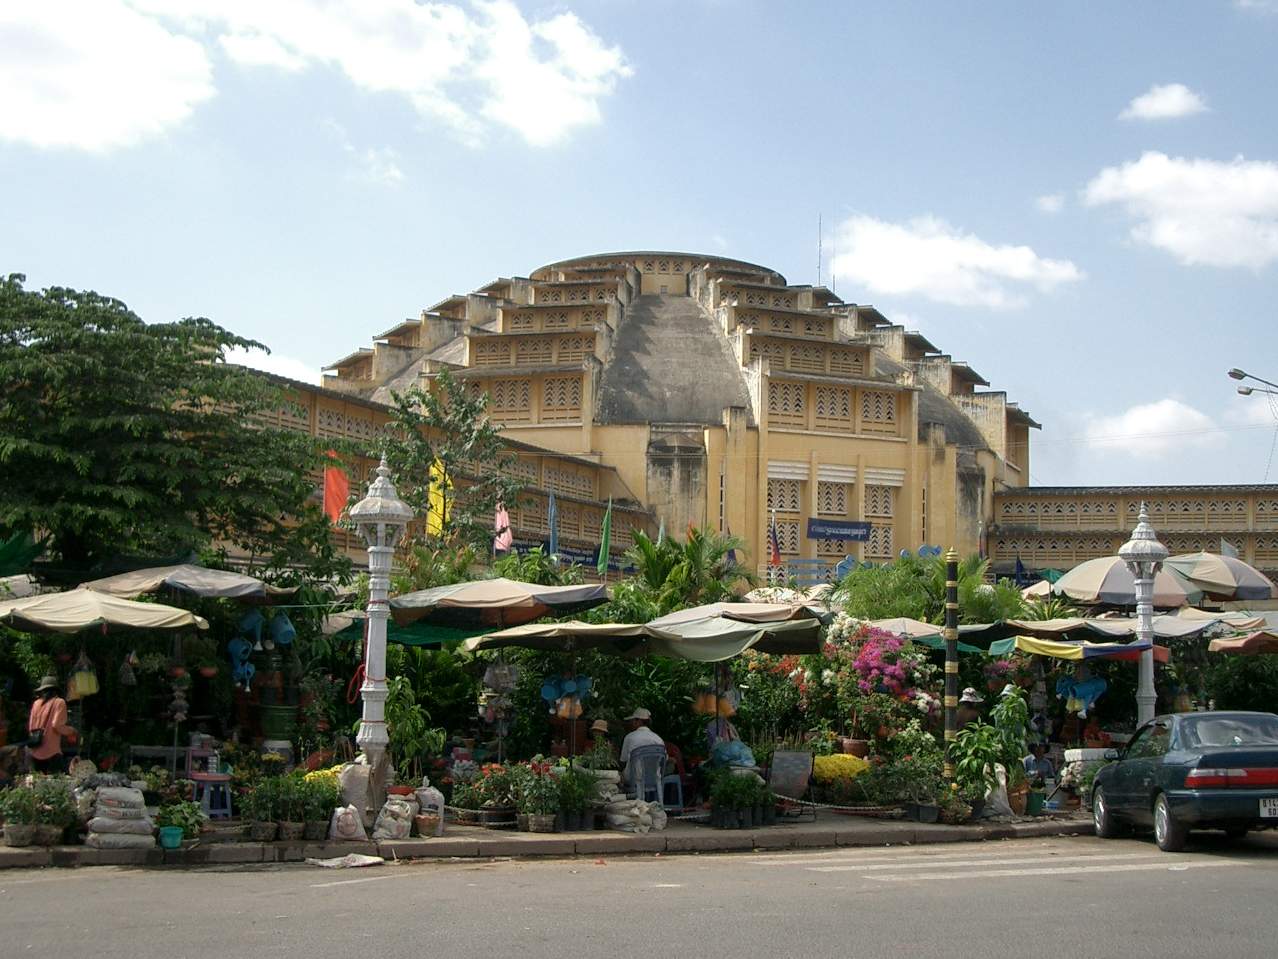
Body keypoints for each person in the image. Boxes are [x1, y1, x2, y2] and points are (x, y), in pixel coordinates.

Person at [27, 675, 75, 773]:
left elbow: (31, 726)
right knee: (56, 783)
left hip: (35, 751)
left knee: (37, 783)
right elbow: (57, 725)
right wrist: (72, 730)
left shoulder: (36, 703)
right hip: (52, 752)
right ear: (55, 690)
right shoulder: (59, 702)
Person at [619, 707, 664, 787]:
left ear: (638, 721)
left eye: (633, 720)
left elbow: (623, 761)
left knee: (616, 775)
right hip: (653, 779)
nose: (631, 723)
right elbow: (663, 761)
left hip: (633, 779)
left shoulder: (629, 737)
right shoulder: (658, 739)